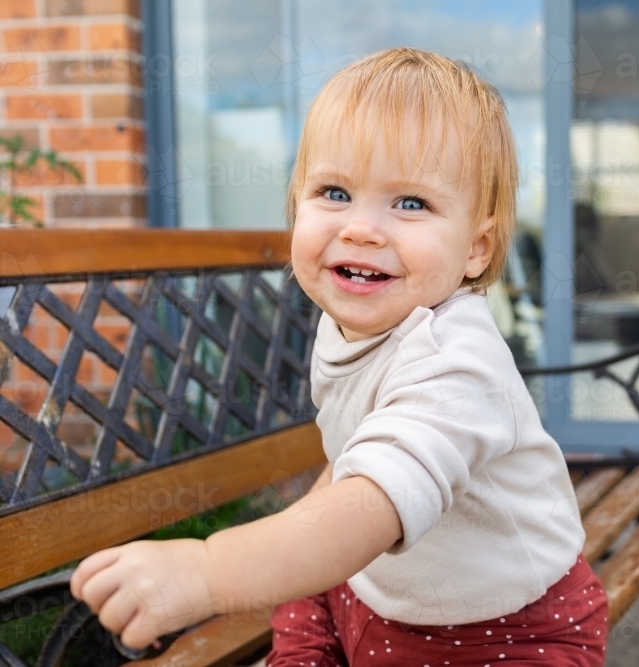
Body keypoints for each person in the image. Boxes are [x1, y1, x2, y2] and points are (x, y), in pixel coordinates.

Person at [69, 47, 609, 665]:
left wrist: (207, 570)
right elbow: (353, 457)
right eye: (334, 191)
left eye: (411, 203)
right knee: (310, 589)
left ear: (475, 251)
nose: (361, 229)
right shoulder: (353, 323)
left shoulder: (457, 364)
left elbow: (370, 504)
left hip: (507, 628)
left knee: (321, 556)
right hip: (372, 588)